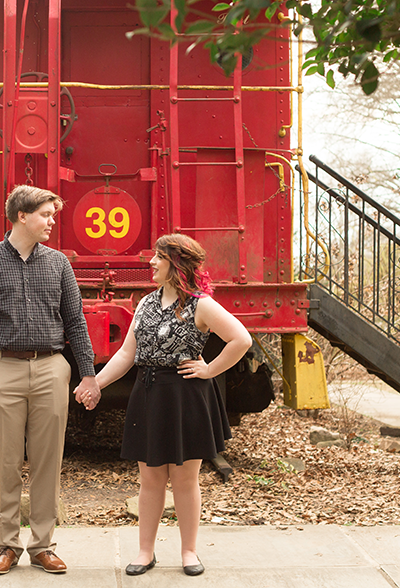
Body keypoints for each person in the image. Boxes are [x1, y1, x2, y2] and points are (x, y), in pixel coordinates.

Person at [0, 185, 101, 575]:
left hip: (51, 368)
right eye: (46, 215)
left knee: (48, 460)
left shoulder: (59, 264)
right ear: (21, 216)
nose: (52, 222)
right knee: (4, 461)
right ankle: (6, 545)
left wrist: (87, 372)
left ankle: (42, 545)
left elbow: (75, 322)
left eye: (53, 215)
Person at [95, 233, 252, 577]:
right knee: (149, 478)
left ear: (176, 264)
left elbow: (241, 339)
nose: (151, 262)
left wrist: (209, 369)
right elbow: (126, 354)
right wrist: (96, 383)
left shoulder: (202, 304)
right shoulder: (146, 304)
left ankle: (189, 552)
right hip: (148, 393)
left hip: (186, 395)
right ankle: (145, 551)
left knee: (184, 478)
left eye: (158, 257)